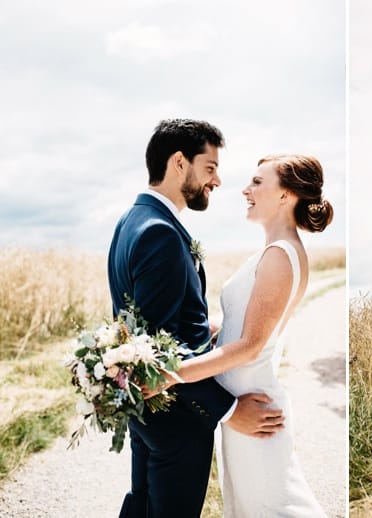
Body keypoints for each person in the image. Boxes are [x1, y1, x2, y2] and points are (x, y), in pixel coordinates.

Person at [108, 119, 285, 518]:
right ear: (179, 163)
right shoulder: (160, 232)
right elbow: (159, 346)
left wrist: (208, 328)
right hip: (176, 418)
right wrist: (225, 408)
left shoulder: (131, 221)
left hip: (146, 413)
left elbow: (149, 320)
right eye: (210, 167)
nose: (218, 180)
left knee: (143, 506)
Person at [152, 154, 335, 516]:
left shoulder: (281, 256)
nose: (245, 190)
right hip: (244, 408)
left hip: (256, 411)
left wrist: (167, 376)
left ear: (285, 195)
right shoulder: (273, 252)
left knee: (279, 508)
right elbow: (244, 328)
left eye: (257, 182)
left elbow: (250, 346)